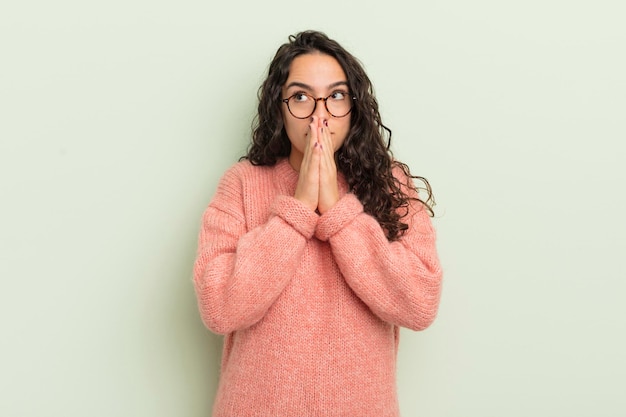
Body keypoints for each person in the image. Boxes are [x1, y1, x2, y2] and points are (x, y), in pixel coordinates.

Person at [193, 30, 442, 417]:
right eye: (301, 97)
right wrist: (298, 209)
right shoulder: (242, 183)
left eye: (336, 96)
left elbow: (419, 304)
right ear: (280, 107)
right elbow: (220, 307)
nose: (319, 113)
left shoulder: (391, 184)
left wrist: (338, 211)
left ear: (354, 107)